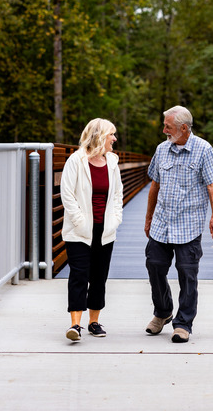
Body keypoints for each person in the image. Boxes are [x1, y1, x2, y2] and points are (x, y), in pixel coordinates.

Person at [144, 105, 213, 343]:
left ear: (183, 128)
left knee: (187, 273)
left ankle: (183, 323)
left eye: (167, 127)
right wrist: (148, 218)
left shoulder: (203, 149)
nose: (163, 130)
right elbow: (154, 185)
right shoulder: (161, 149)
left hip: (188, 224)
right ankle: (163, 312)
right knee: (154, 266)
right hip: (161, 222)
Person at [61, 118, 123, 342]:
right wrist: (80, 221)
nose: (114, 139)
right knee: (79, 275)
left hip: (105, 230)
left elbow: (117, 195)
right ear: (99, 136)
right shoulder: (76, 161)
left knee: (99, 277)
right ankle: (75, 325)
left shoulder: (112, 162)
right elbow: (67, 194)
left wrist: (115, 219)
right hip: (79, 231)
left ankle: (94, 322)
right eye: (111, 135)